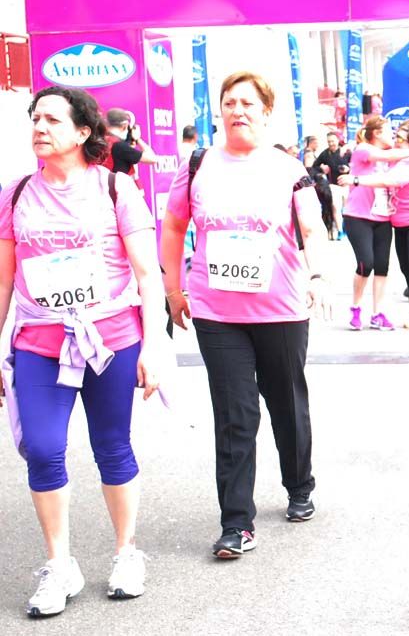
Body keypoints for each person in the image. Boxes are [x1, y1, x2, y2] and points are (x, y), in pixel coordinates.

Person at [0, 86, 169, 615]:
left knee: (111, 446)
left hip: (110, 340)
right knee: (44, 449)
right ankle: (60, 564)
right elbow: (3, 282)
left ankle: (126, 553)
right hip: (38, 342)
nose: (39, 126)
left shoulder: (117, 190)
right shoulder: (16, 193)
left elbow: (148, 275)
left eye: (52, 118)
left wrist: (156, 345)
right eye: (35, 117)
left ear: (82, 131)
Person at [159, 71, 333, 559]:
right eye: (229, 103)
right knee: (235, 414)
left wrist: (317, 277)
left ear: (266, 112)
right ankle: (236, 522)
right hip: (217, 311)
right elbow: (174, 227)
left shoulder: (287, 168)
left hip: (280, 308)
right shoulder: (197, 164)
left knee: (286, 402)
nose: (237, 111)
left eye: (247, 103)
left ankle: (299, 484)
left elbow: (312, 229)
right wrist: (173, 287)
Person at [341, 122, 409, 331]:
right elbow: (389, 165)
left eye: (398, 135)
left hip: (393, 218)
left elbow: (390, 180)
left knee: (398, 266)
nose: (392, 137)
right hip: (362, 215)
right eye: (388, 132)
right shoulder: (365, 149)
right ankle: (355, 308)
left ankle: (382, 312)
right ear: (374, 133)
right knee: (367, 263)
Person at [312, 132, 352, 239]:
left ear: (338, 140)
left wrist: (348, 169)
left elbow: (357, 166)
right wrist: (322, 169)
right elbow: (313, 167)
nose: (331, 144)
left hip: (347, 184)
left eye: (333, 141)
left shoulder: (346, 152)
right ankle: (340, 232)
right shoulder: (325, 154)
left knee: (347, 209)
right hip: (334, 185)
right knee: (336, 207)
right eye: (329, 141)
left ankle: (347, 229)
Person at [103, 108, 157, 185]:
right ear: (124, 126)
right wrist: (138, 139)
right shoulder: (120, 146)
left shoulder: (100, 141)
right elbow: (153, 159)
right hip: (119, 190)